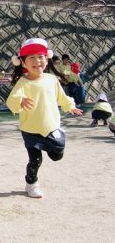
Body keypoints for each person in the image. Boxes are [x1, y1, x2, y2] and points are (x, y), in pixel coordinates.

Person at [7, 38, 83, 198]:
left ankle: (59, 136)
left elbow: (61, 97)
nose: (37, 61)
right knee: (35, 160)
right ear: (23, 63)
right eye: (31, 58)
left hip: (51, 126)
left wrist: (71, 106)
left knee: (57, 156)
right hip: (30, 129)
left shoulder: (51, 79)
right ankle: (31, 183)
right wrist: (20, 101)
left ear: (47, 58)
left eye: (40, 57)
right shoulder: (22, 82)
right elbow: (11, 101)